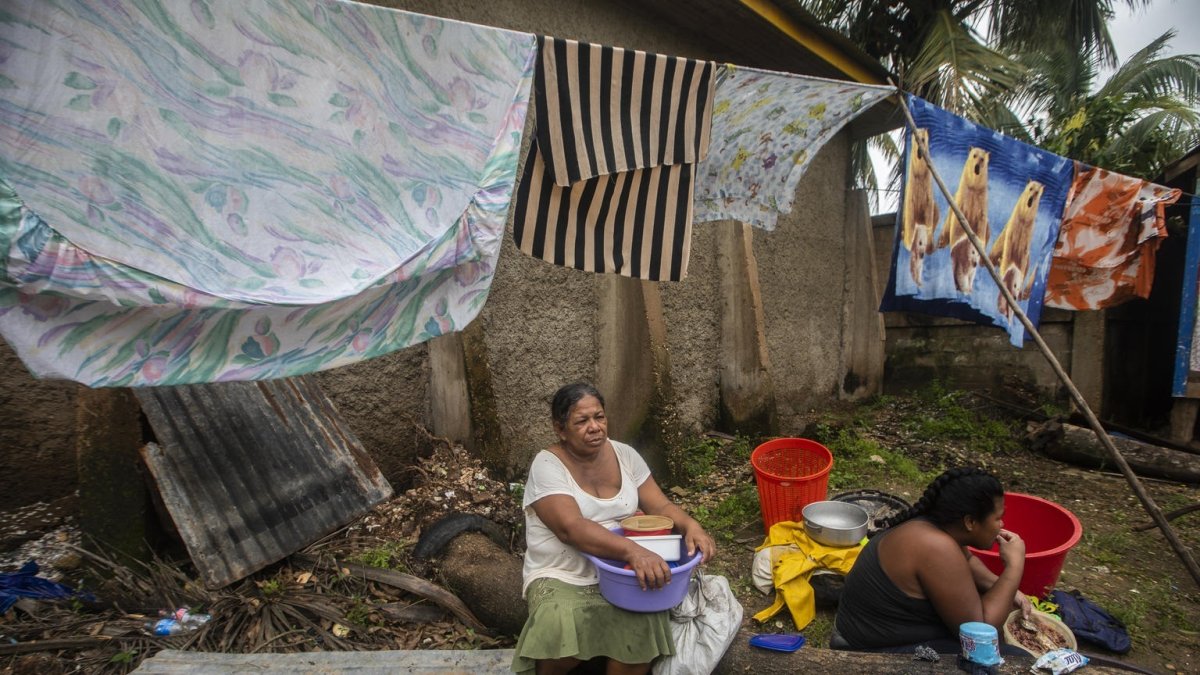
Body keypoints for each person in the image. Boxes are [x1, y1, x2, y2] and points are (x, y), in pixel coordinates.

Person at [511, 382, 717, 675]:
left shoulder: (625, 455)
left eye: (599, 417)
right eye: (582, 421)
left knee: (641, 624)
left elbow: (660, 506)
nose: (594, 427)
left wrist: (691, 525)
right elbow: (571, 528)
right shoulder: (547, 465)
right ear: (560, 429)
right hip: (563, 571)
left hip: (621, 571)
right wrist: (634, 551)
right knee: (559, 622)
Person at [832, 467, 1033, 653]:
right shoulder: (936, 547)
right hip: (867, 651)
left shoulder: (938, 527)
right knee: (1016, 660)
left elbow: (968, 561)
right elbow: (979, 633)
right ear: (970, 522)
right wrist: (1014, 567)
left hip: (874, 632)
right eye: (997, 518)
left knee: (997, 605)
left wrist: (1002, 588)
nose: (1002, 524)